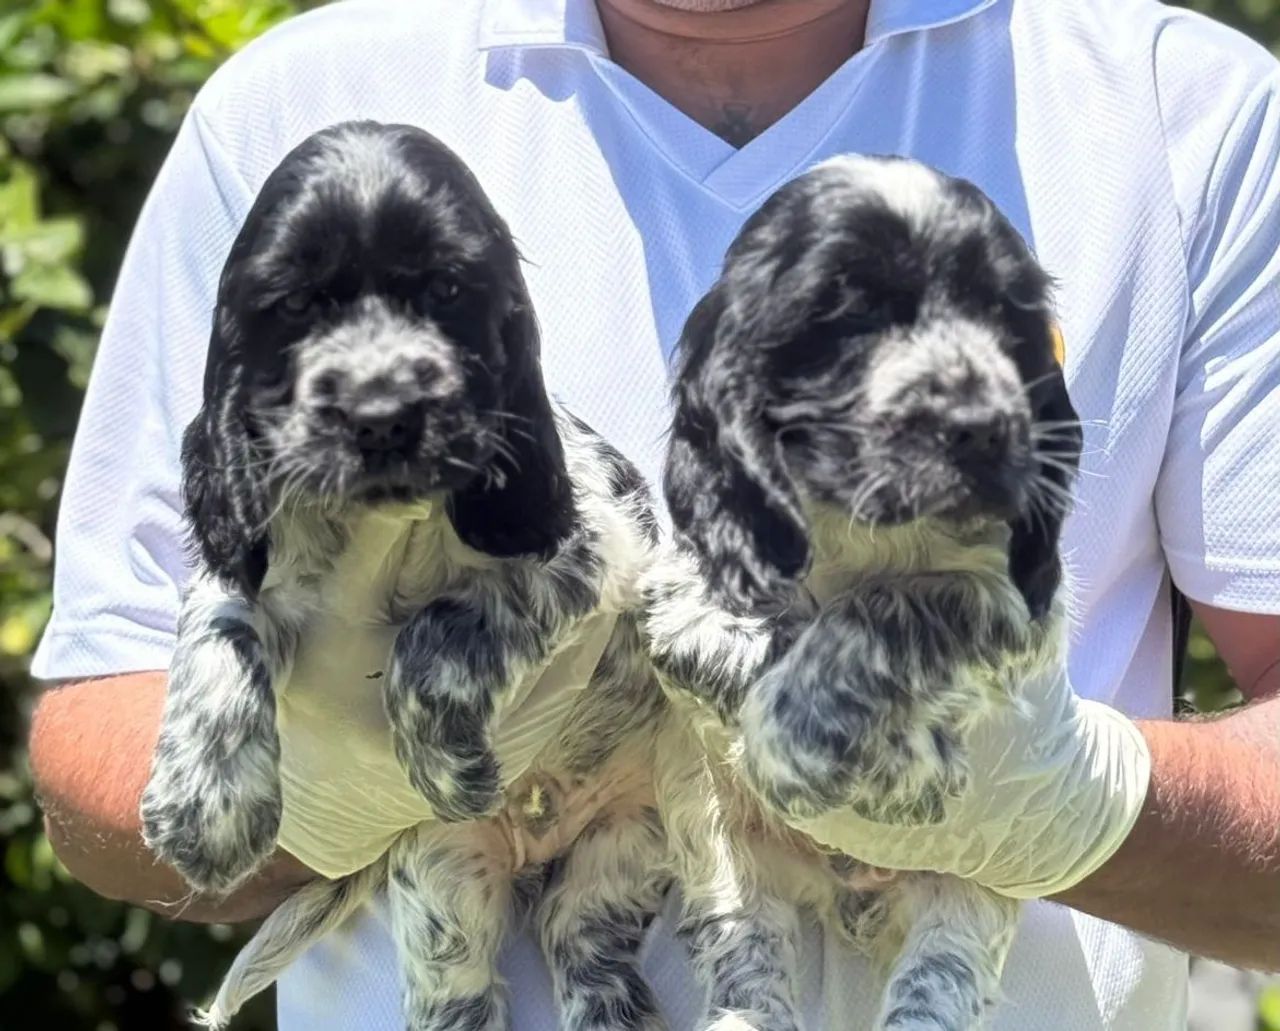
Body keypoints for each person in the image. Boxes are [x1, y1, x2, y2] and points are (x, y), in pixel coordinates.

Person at [27, 0, 1280, 1028]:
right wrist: (312, 786)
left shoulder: (1177, 111)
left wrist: (1086, 801)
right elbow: (97, 750)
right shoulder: (289, 103)